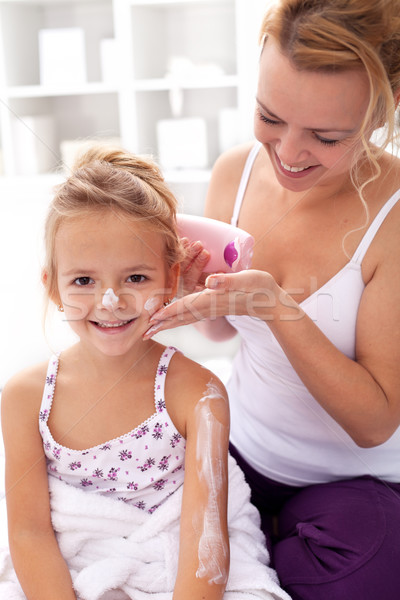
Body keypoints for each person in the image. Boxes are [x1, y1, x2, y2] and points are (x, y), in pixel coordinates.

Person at [143, 1, 400, 598]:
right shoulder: (235, 173)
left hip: (354, 480)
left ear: (384, 112)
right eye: (269, 115)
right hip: (244, 449)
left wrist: (278, 308)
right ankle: (271, 535)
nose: (288, 150)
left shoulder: (391, 217)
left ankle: (265, 535)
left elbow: (375, 421)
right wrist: (200, 292)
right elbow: (222, 336)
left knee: (369, 567)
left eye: (327, 136)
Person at [0, 145, 291, 600]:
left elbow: (206, 544)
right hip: (74, 569)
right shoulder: (25, 397)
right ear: (53, 287)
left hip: (176, 569)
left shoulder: (200, 393)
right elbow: (30, 534)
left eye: (136, 278)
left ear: (170, 279)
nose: (110, 301)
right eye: (83, 280)